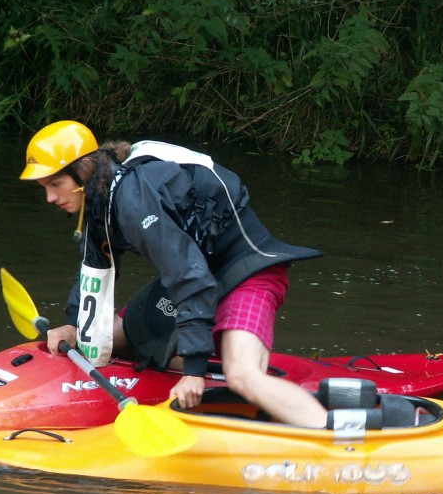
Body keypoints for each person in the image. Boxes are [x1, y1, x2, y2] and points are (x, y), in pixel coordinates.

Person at [19, 120, 330, 428]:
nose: (50, 198)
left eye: (55, 184)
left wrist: (194, 371)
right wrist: (74, 325)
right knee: (106, 340)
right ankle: (206, 362)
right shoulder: (99, 197)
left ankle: (339, 437)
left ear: (84, 169)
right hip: (196, 275)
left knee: (242, 377)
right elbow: (95, 266)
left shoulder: (134, 199)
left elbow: (187, 276)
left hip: (246, 275)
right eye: (44, 187)